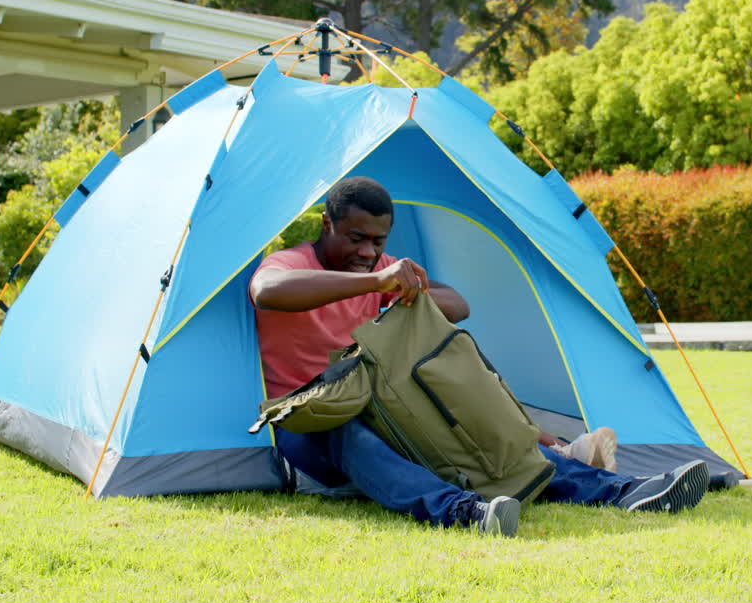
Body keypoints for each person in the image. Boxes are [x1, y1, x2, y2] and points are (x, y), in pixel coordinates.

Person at [249, 176, 709, 536]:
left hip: (380, 408)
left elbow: (458, 306)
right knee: (345, 430)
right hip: (308, 418)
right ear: (327, 224)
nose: (367, 252)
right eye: (355, 238)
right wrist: (374, 282)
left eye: (379, 242)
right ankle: (464, 512)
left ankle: (623, 491)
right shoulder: (292, 264)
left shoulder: (375, 274)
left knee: (460, 410)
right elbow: (267, 292)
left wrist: (404, 284)